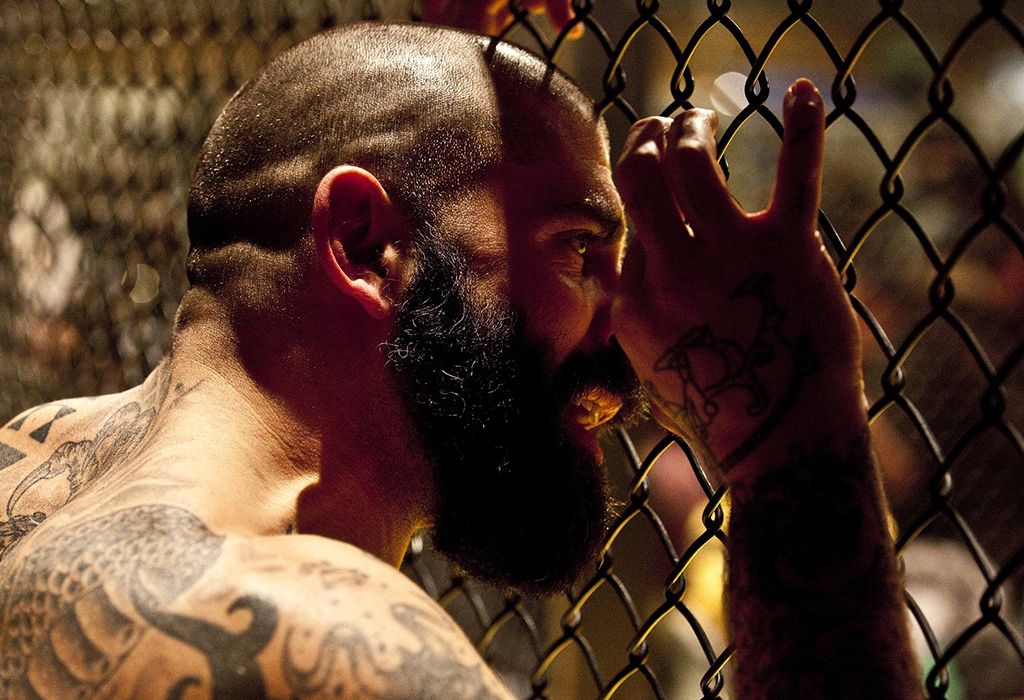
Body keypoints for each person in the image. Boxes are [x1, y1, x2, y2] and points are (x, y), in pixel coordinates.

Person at [0, 20, 920, 700]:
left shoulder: (25, 460)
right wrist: (792, 435)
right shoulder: (335, 649)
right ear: (365, 245)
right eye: (577, 250)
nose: (630, 333)